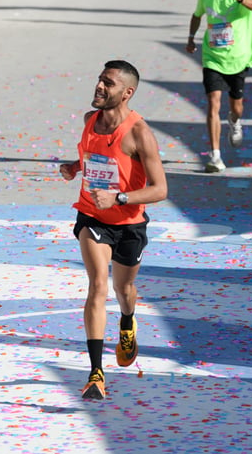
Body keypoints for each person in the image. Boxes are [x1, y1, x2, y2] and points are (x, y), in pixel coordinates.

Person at [59, 60, 168, 400]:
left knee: (125, 289)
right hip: (92, 218)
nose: (99, 86)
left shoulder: (140, 133)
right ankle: (95, 373)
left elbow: (160, 189)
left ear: (127, 93)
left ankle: (127, 322)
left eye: (108, 83)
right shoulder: (89, 120)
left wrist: (119, 197)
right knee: (97, 286)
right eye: (99, 79)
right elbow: (95, 158)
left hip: (129, 224)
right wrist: (75, 167)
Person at [185, 0, 252, 173]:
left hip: (239, 57)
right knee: (212, 103)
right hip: (213, 57)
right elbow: (197, 15)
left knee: (236, 106)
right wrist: (190, 38)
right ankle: (215, 156)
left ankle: (235, 121)